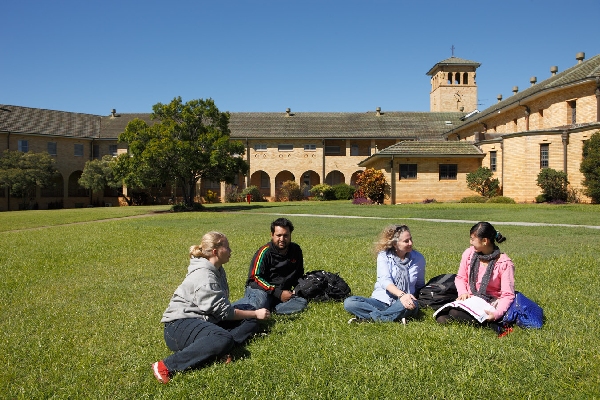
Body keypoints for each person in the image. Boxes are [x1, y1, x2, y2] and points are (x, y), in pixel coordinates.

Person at [152, 232, 271, 384]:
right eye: (227, 247)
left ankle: (216, 349)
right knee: (227, 335)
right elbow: (225, 312)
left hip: (205, 320)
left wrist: (252, 315)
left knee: (250, 322)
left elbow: (221, 310)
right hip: (178, 327)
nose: (230, 251)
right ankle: (165, 366)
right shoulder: (205, 276)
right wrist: (255, 313)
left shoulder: (218, 269)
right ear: (216, 251)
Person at [435, 222, 515, 334]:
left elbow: (508, 295)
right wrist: (463, 293)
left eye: (473, 239)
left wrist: (496, 314)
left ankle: (493, 324)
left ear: (485, 241)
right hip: (470, 299)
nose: (470, 242)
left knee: (454, 313)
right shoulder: (469, 254)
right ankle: (481, 323)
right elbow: (460, 278)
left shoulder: (504, 263)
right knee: (441, 317)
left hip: (490, 302)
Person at [344, 224, 426, 323]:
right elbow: (384, 280)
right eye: (406, 241)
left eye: (411, 239)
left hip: (404, 302)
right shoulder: (384, 256)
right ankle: (392, 317)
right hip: (382, 301)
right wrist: (401, 295)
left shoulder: (418, 258)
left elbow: (420, 284)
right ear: (395, 244)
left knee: (410, 305)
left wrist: (412, 300)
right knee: (350, 302)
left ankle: (369, 319)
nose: (411, 243)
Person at [234, 218, 307, 315]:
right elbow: (254, 278)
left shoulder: (296, 250)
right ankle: (228, 311)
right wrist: (277, 293)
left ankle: (271, 309)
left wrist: (296, 290)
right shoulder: (264, 252)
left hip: (283, 292)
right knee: (259, 304)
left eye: (286, 235)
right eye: (278, 235)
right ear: (272, 235)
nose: (282, 239)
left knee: (302, 302)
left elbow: (298, 274)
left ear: (290, 235)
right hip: (262, 290)